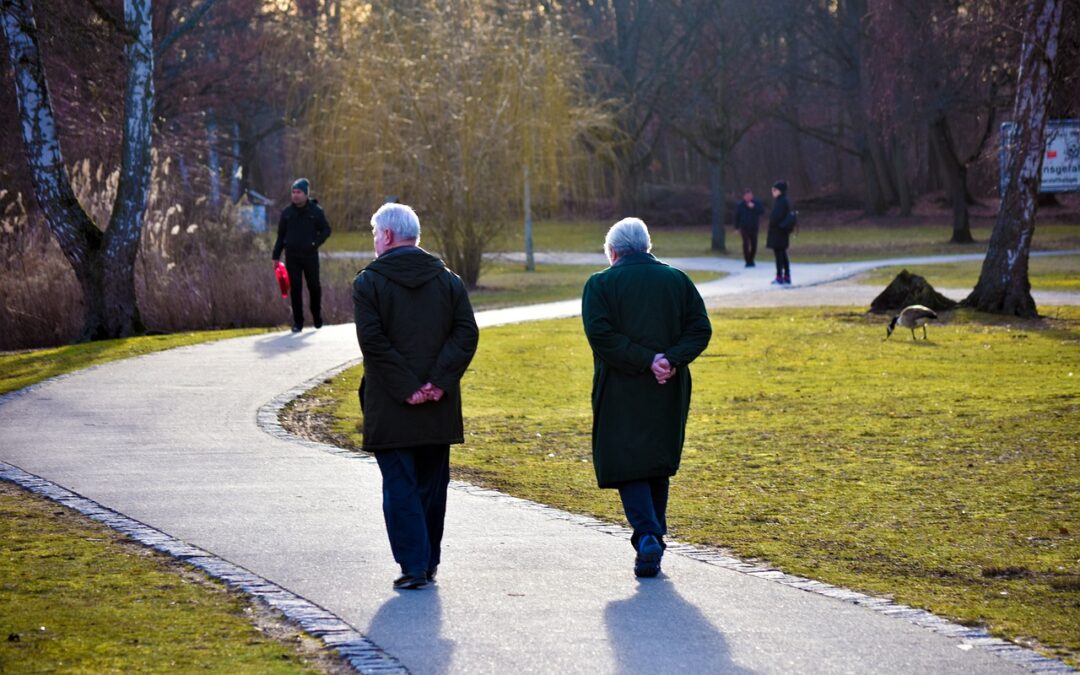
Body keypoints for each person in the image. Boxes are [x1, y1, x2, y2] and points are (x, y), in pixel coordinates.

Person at [352, 202, 479, 590]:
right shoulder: (449, 281)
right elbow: (466, 333)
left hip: (390, 405)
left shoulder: (368, 283)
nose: (374, 241)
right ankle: (427, 561)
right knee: (431, 484)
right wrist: (437, 383)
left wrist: (409, 388)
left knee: (400, 486)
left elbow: (373, 342)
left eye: (375, 234)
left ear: (387, 236)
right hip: (438, 408)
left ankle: (414, 564)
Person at [581, 218, 712, 578]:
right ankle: (652, 536)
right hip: (667, 384)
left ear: (613, 252)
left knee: (628, 461)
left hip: (621, 387)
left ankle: (648, 534)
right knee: (656, 459)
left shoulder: (600, 284)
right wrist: (669, 359)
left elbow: (601, 335)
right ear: (647, 246)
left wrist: (645, 359)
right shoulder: (677, 280)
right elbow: (700, 328)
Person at [273, 178, 332, 332]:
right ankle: (298, 322)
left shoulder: (316, 211)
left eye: (299, 192)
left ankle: (317, 316)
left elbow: (326, 230)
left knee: (314, 287)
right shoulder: (287, 213)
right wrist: (276, 256)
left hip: (310, 256)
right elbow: (281, 236)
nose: (295, 195)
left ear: (306, 194)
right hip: (292, 256)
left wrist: (315, 243)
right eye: (293, 192)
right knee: (296, 289)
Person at [766, 180, 794, 285]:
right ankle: (786, 276)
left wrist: (772, 223)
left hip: (778, 232)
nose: (772, 192)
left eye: (774, 190)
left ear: (780, 191)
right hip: (781, 232)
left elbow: (776, 217)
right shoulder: (783, 200)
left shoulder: (781, 202)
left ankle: (779, 276)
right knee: (783, 254)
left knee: (779, 255)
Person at [733, 188, 765, 267]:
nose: (748, 198)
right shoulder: (740, 205)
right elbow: (737, 216)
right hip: (744, 227)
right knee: (746, 243)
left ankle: (751, 259)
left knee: (754, 244)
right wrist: (736, 228)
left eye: (750, 196)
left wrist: (754, 207)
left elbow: (762, 211)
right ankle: (747, 261)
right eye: (747, 196)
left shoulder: (756, 203)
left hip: (754, 227)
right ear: (744, 197)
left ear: (752, 196)